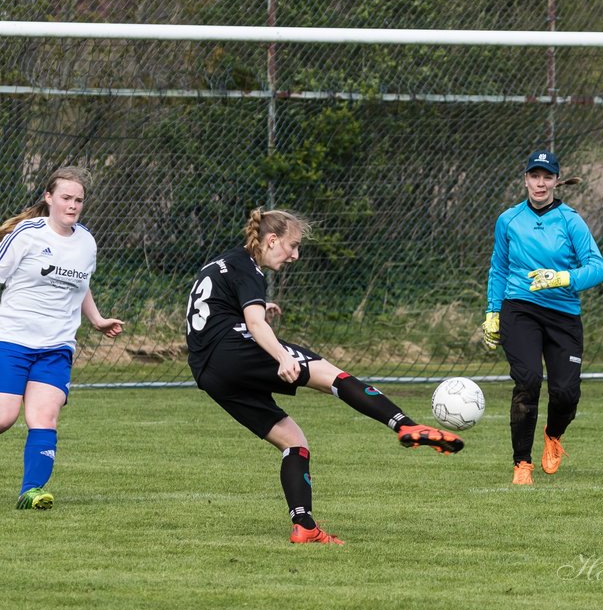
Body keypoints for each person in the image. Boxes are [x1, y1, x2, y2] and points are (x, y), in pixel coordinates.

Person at [186, 206, 465, 545]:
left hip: (207, 372)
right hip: (233, 350)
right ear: (272, 240)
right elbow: (254, 323)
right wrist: (281, 355)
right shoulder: (249, 270)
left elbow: (224, 312)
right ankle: (404, 424)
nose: (295, 255)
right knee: (331, 375)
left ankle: (304, 526)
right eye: (293, 245)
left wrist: (256, 313)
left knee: (294, 442)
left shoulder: (225, 262)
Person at [0, 166, 124, 509]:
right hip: (8, 340)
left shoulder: (86, 241)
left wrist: (96, 319)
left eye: (79, 200)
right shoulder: (27, 233)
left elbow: (80, 284)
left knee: (44, 417)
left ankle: (31, 490)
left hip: (56, 347)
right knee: (1, 418)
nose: (72, 205)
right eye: (66, 198)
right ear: (49, 197)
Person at [483, 150, 603, 485]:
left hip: (563, 314)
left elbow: (597, 268)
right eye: (534, 176)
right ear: (525, 179)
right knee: (528, 380)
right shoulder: (508, 219)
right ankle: (522, 463)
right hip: (519, 308)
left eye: (546, 176)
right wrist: (493, 311)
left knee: (566, 392)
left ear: (556, 180)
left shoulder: (570, 220)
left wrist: (563, 277)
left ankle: (553, 435)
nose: (540, 183)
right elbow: (499, 268)